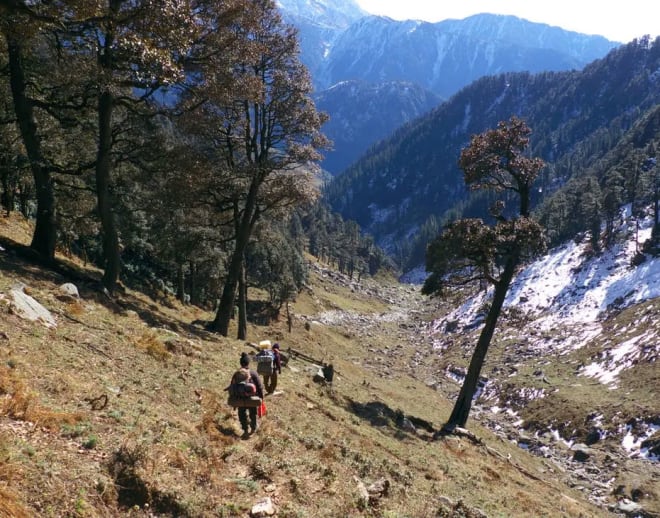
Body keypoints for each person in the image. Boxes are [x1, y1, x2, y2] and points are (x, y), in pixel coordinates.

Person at [230, 352, 264, 438]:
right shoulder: (253, 373)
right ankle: (253, 429)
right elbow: (259, 386)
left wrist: (234, 400)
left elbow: (232, 387)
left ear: (241, 363)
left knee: (241, 414)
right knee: (253, 413)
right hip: (252, 398)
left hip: (240, 398)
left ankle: (245, 430)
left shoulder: (237, 373)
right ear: (248, 363)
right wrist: (261, 398)